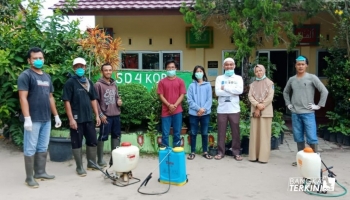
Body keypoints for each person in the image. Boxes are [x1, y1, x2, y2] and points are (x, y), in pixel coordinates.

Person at [18, 47, 62, 188]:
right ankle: (29, 178)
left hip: (46, 119)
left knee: (43, 146)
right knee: (30, 147)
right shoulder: (26, 76)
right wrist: (27, 118)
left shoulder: (47, 77)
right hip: (33, 119)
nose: (38, 60)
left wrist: (56, 116)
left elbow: (50, 97)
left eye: (40, 58)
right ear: (29, 60)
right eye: (35, 58)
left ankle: (40, 172)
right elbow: (23, 98)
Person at [283, 55, 328, 166]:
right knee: (298, 137)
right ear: (295, 65)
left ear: (306, 65)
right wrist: (288, 104)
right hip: (295, 113)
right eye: (298, 64)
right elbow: (285, 92)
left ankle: (315, 161)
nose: (300, 66)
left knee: (312, 137)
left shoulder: (312, 77)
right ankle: (301, 160)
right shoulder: (292, 79)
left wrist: (318, 106)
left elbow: (324, 91)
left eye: (303, 64)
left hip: (308, 113)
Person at [62, 57, 101, 176]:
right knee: (77, 142)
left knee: (92, 140)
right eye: (77, 66)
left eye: (82, 66)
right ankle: (79, 167)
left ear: (85, 67)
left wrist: (97, 115)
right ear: (74, 68)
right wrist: (71, 119)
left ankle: (91, 163)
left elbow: (93, 99)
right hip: (76, 119)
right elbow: (66, 101)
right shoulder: (70, 83)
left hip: (88, 118)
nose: (80, 68)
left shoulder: (89, 82)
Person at [214, 57, 243, 161]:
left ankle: (236, 152)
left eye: (231, 64)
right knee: (221, 132)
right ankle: (220, 152)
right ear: (223, 66)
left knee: (235, 132)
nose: (229, 66)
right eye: (227, 64)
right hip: (222, 109)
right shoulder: (219, 78)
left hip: (234, 109)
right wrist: (232, 91)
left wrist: (225, 88)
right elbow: (218, 92)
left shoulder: (238, 78)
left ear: (234, 66)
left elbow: (239, 91)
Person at [94, 63, 122, 167]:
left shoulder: (114, 84)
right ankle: (100, 160)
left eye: (110, 70)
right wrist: (100, 114)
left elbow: (117, 98)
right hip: (105, 116)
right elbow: (95, 101)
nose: (108, 72)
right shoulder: (98, 85)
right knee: (102, 137)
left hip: (116, 115)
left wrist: (119, 102)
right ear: (102, 72)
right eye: (106, 70)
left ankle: (114, 160)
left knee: (116, 136)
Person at [248, 64, 274, 163]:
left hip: (266, 112)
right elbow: (250, 96)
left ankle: (263, 158)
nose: (258, 73)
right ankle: (253, 156)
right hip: (255, 112)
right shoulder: (252, 84)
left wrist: (259, 107)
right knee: (255, 134)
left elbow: (270, 97)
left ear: (264, 71)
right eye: (256, 71)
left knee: (264, 135)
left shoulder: (269, 83)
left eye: (260, 71)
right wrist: (257, 105)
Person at [157, 60, 187, 147]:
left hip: (177, 111)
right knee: (165, 133)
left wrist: (175, 105)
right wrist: (169, 105)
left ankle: (176, 150)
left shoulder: (180, 81)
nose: (171, 69)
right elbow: (161, 95)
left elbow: (182, 95)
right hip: (165, 111)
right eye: (169, 67)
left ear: (176, 69)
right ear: (166, 69)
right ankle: (166, 151)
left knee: (177, 133)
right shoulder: (162, 82)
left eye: (172, 67)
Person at [186, 65, 213, 160]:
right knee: (193, 132)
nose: (199, 73)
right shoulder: (191, 86)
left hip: (205, 114)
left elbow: (209, 99)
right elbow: (189, 100)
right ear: (194, 73)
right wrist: (198, 109)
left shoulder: (208, 85)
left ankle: (205, 151)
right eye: (197, 71)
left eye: (201, 71)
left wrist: (203, 110)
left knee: (204, 133)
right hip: (194, 114)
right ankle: (192, 152)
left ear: (203, 73)